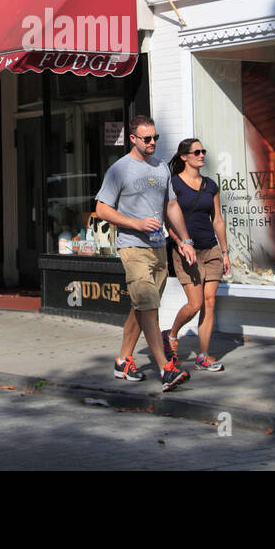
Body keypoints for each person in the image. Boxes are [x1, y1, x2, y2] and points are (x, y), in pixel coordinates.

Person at [95, 115, 195, 392]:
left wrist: (185, 240)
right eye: (147, 138)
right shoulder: (119, 170)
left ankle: (124, 360)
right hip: (132, 247)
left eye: (155, 138)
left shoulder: (161, 168)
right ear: (133, 139)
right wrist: (135, 223)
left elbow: (172, 206)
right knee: (149, 308)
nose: (152, 143)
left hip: (158, 248)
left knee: (141, 308)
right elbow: (102, 209)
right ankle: (166, 369)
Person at [164, 139, 230, 371]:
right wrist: (180, 242)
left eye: (203, 151)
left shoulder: (210, 185)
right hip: (186, 251)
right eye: (197, 152)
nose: (202, 155)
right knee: (195, 303)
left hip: (210, 248)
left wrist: (224, 252)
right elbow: (168, 220)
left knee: (210, 302)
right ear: (184, 157)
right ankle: (171, 336)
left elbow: (218, 220)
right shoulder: (173, 184)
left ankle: (203, 355)